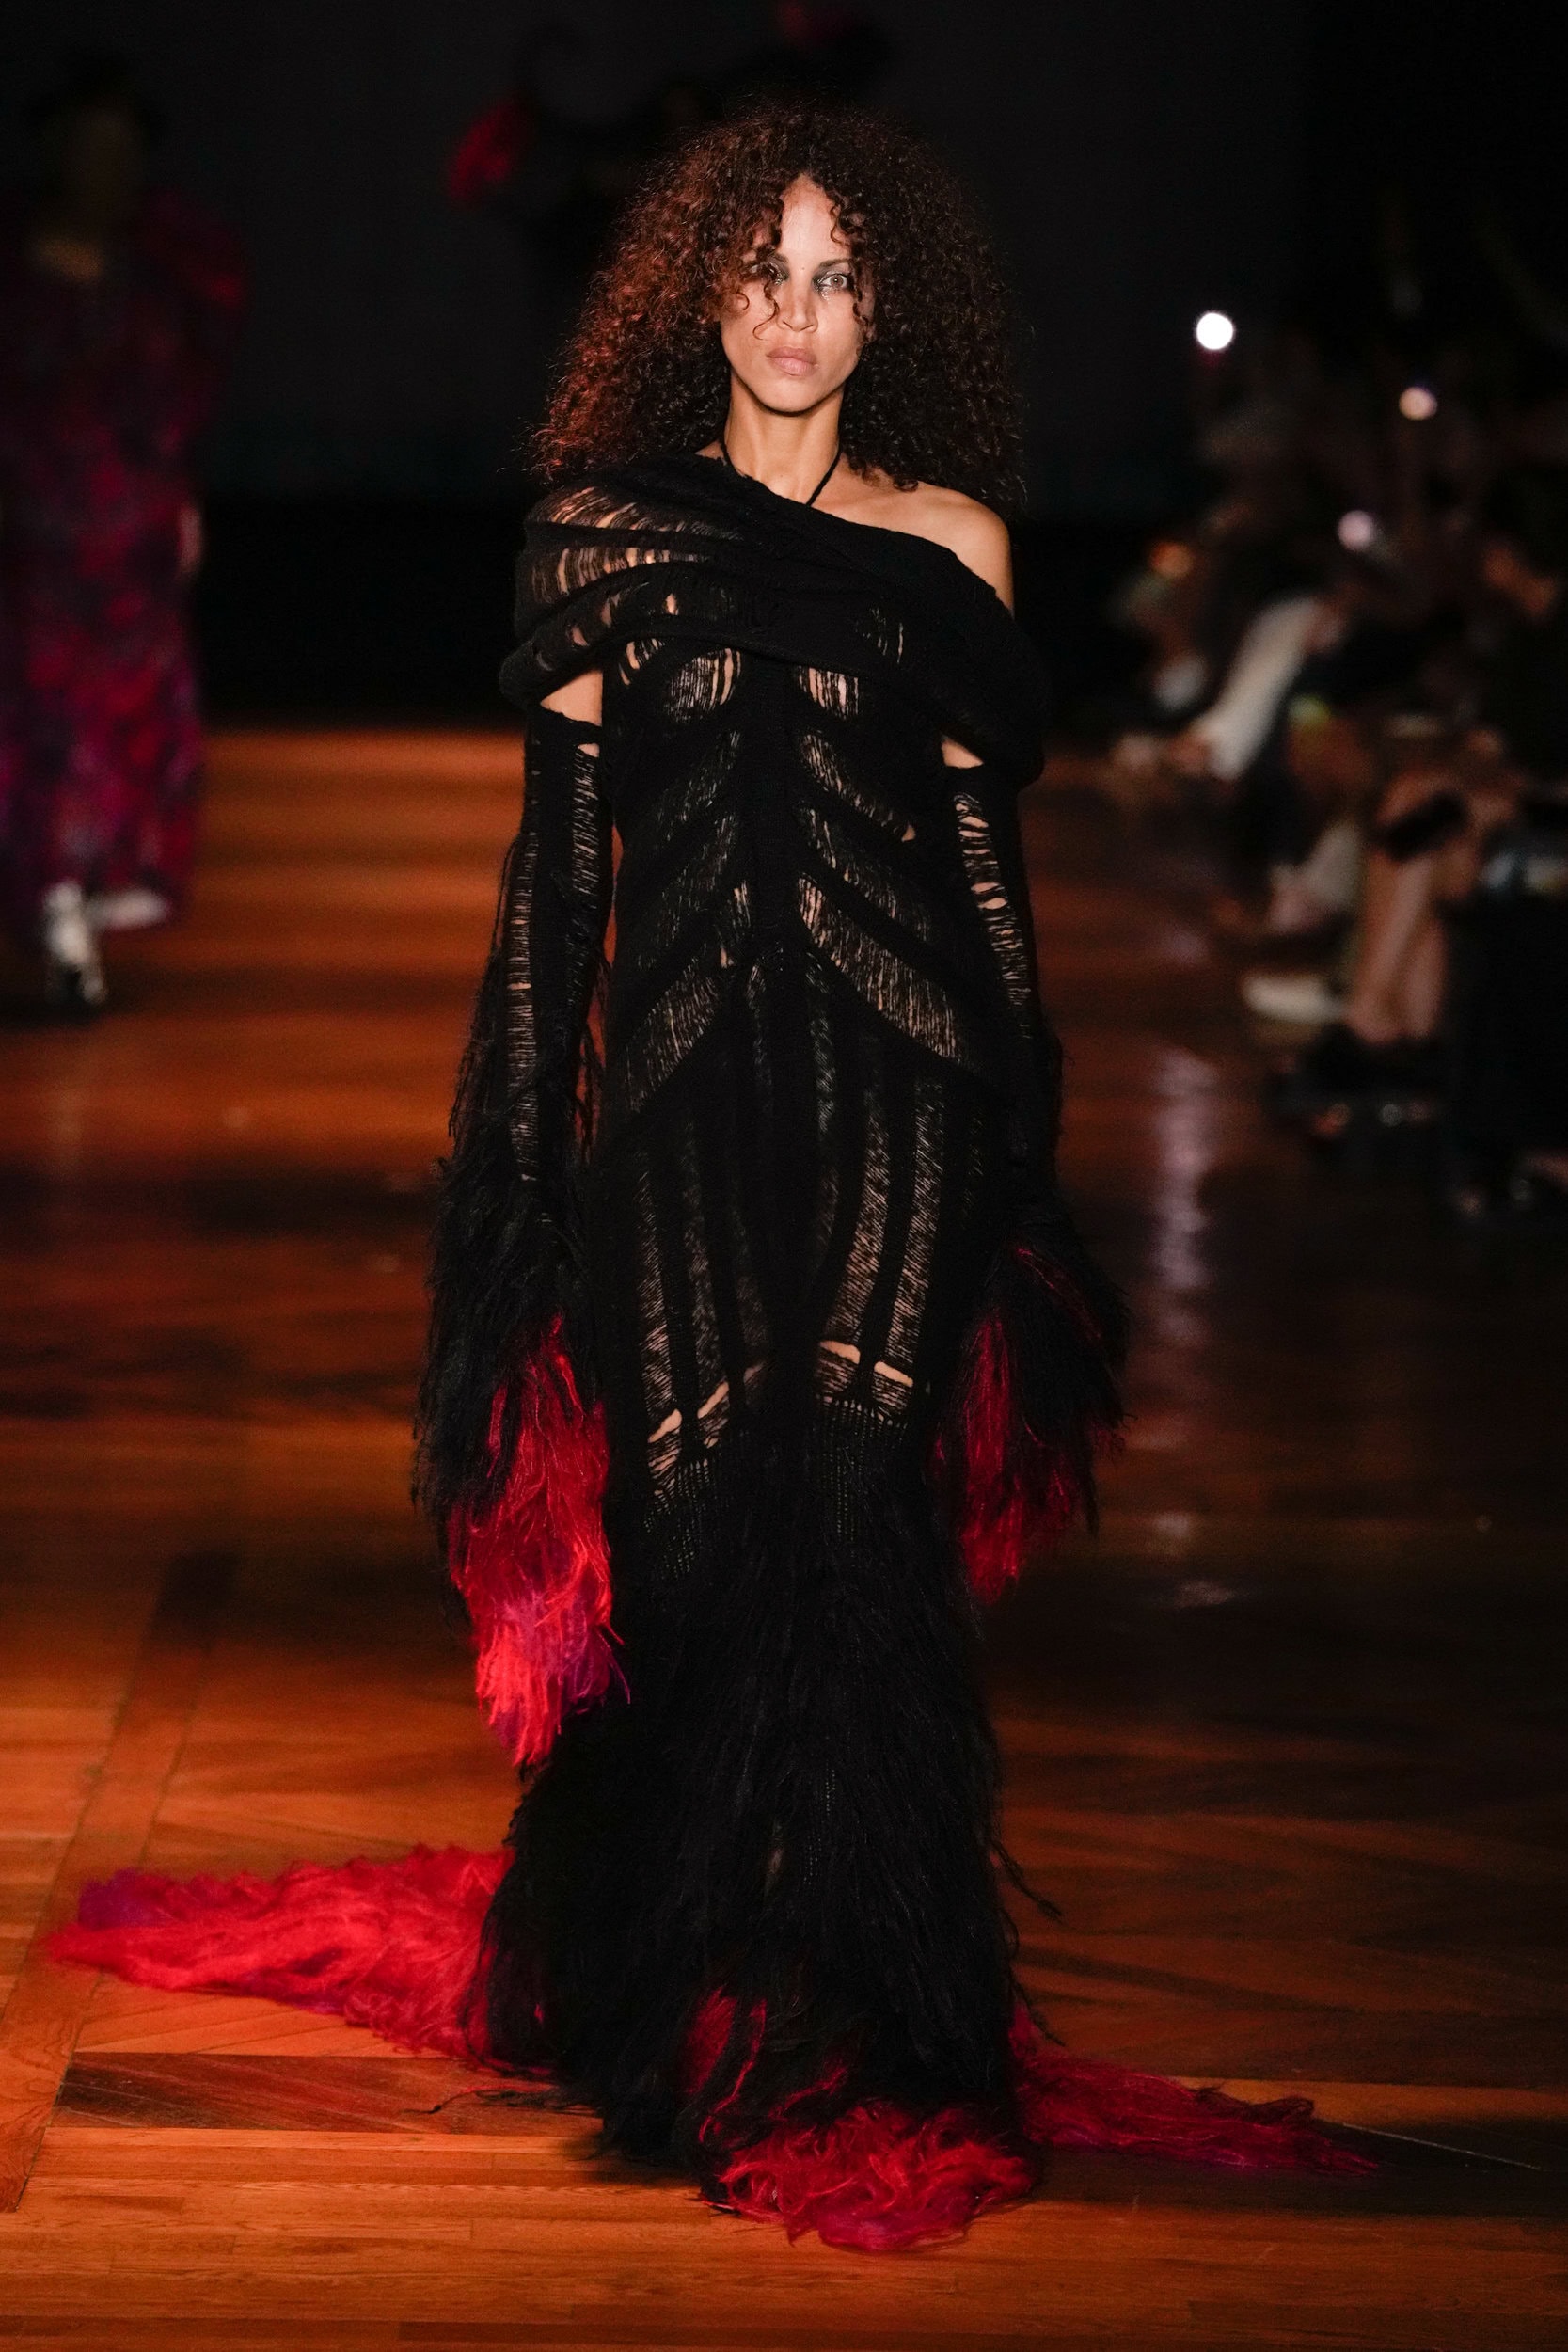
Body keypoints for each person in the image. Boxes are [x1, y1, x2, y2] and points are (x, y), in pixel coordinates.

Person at [54, 103, 1358, 2249]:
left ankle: (877, 2010)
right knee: (679, 1545)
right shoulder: (601, 532)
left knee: (852, 1523)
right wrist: (513, 1181)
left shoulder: (950, 542)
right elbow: (556, 884)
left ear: (885, 309)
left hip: (901, 1100)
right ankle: (661, 1980)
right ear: (698, 298)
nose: (795, 315)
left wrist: (1023, 1162)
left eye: (836, 276)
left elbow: (981, 880)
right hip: (671, 1115)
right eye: (761, 273)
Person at [0, 55, 244, 1014]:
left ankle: (91, 891)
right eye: (89, 145)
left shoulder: (160, 271)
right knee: (44, 722)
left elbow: (182, 393)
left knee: (131, 720)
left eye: (122, 148)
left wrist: (180, 499)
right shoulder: (18, 268)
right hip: (35, 537)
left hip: (131, 537)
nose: (106, 167)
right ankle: (54, 899)